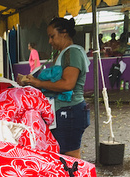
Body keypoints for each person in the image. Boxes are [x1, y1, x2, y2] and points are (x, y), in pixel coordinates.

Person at [18, 17, 90, 159]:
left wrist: (39, 83)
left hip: (70, 111)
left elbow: (67, 84)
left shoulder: (72, 52)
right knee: (62, 154)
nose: (50, 41)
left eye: (52, 36)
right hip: (63, 111)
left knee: (70, 156)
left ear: (64, 33)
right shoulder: (62, 54)